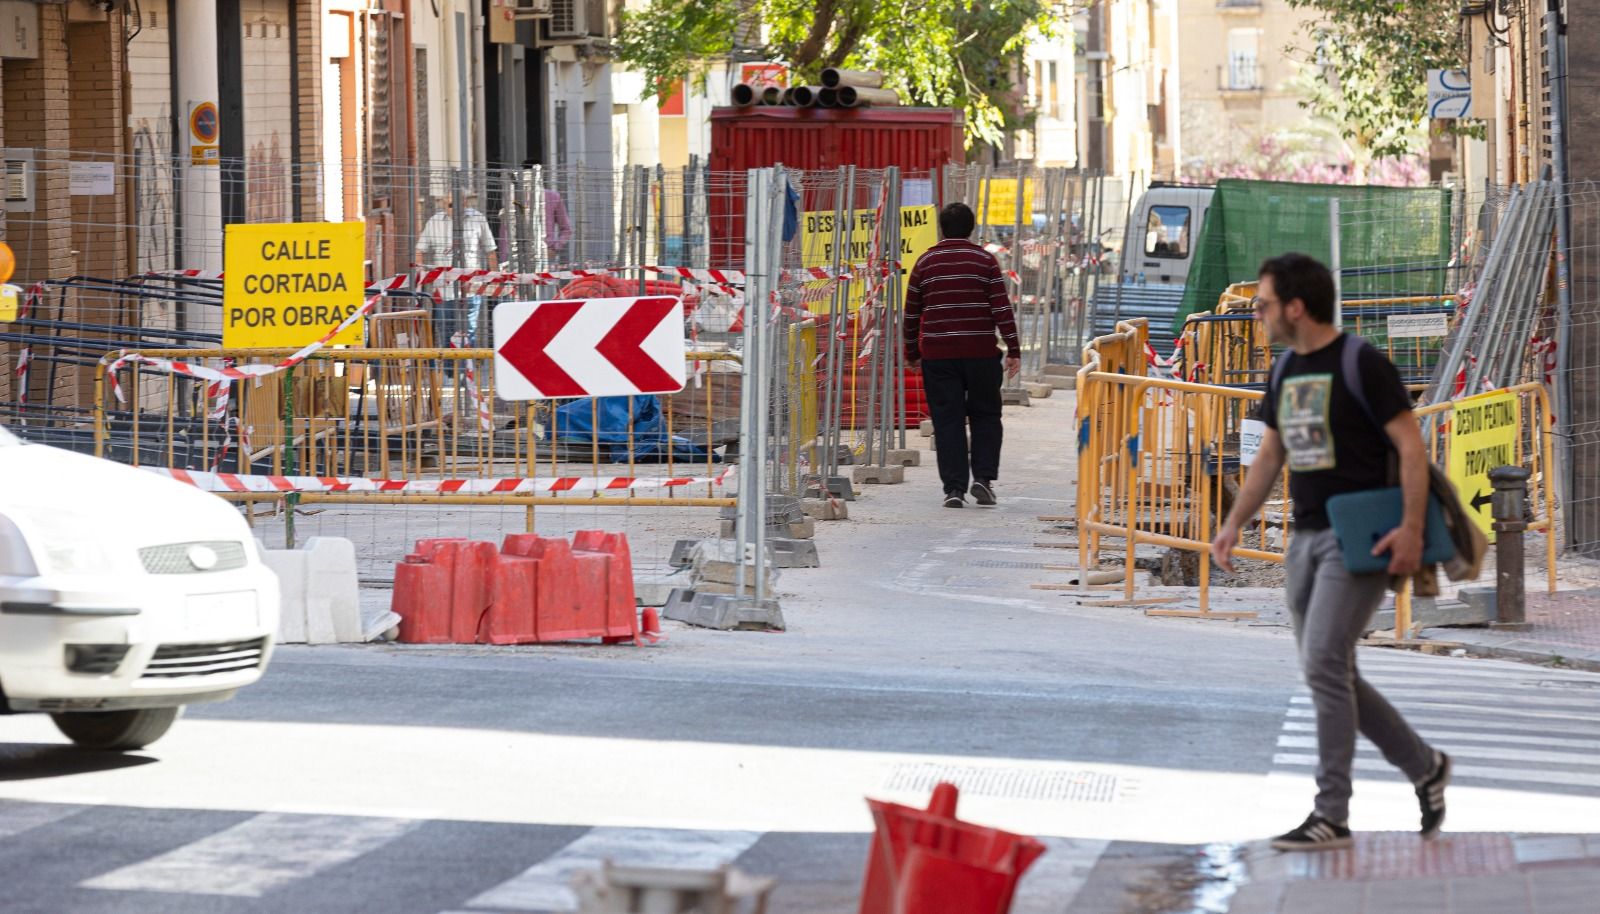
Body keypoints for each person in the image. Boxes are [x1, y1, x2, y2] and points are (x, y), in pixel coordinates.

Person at [1211, 253, 1450, 852]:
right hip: (1306, 537)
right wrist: (1232, 523)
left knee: (1322, 663)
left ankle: (1331, 813)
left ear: (1296, 307)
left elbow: (1411, 448)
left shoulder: (1361, 362)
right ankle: (1425, 767)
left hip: (1362, 538)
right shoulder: (1286, 368)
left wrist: (1414, 530)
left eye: (1264, 304)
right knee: (1333, 672)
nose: (1258, 314)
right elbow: (1271, 456)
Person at [903, 202, 1022, 509]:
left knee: (948, 421)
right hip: (981, 354)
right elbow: (1001, 308)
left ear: (942, 229)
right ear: (971, 229)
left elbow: (911, 313)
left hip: (939, 357)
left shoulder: (925, 263)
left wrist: (912, 352)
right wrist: (1013, 349)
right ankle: (983, 479)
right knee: (986, 416)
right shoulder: (985, 261)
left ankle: (954, 488)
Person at [415, 195, 497, 347]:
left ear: (465, 202)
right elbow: (420, 250)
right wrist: (423, 276)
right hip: (444, 289)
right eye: (450, 204)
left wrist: (494, 278)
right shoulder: (434, 221)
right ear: (444, 204)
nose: (453, 208)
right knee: (446, 331)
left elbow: (490, 250)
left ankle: (467, 369)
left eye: (457, 204)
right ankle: (449, 370)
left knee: (469, 331)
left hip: (471, 287)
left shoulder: (478, 219)